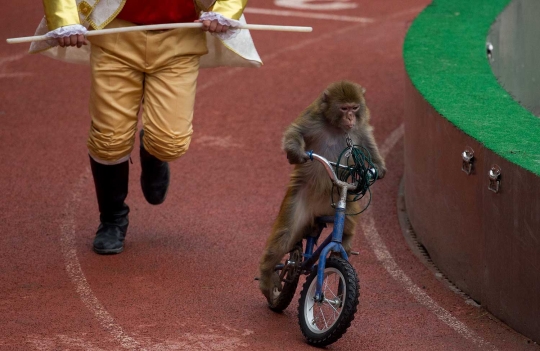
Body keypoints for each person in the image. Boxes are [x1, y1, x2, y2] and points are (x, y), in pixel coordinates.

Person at [30, 0, 262, 254]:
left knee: (169, 144)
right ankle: (112, 219)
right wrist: (64, 19)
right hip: (115, 35)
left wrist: (225, 11)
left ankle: (153, 149)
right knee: (109, 139)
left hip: (180, 37)